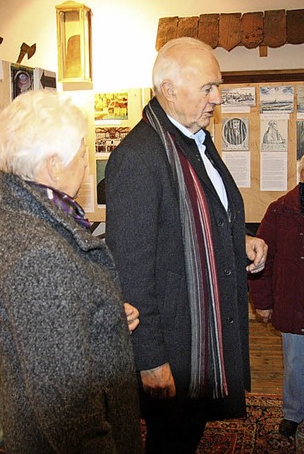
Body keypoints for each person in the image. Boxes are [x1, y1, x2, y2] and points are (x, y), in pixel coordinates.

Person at [105, 37, 267, 453]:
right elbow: (130, 271)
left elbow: (189, 221)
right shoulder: (140, 156)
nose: (218, 97)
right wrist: (150, 359)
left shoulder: (194, 141)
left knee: (185, 437)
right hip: (175, 344)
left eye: (218, 86)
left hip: (197, 334)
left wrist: (238, 238)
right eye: (208, 87)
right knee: (170, 443)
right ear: (169, 90)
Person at [0, 89, 142, 452]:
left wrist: (104, 318)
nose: (86, 166)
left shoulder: (21, 222)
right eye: (83, 155)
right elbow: (69, 411)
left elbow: (54, 325)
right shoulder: (37, 253)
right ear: (54, 165)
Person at [249, 148, 304, 445]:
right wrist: (262, 302)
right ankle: (291, 413)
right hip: (293, 299)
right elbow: (263, 258)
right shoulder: (281, 209)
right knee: (294, 361)